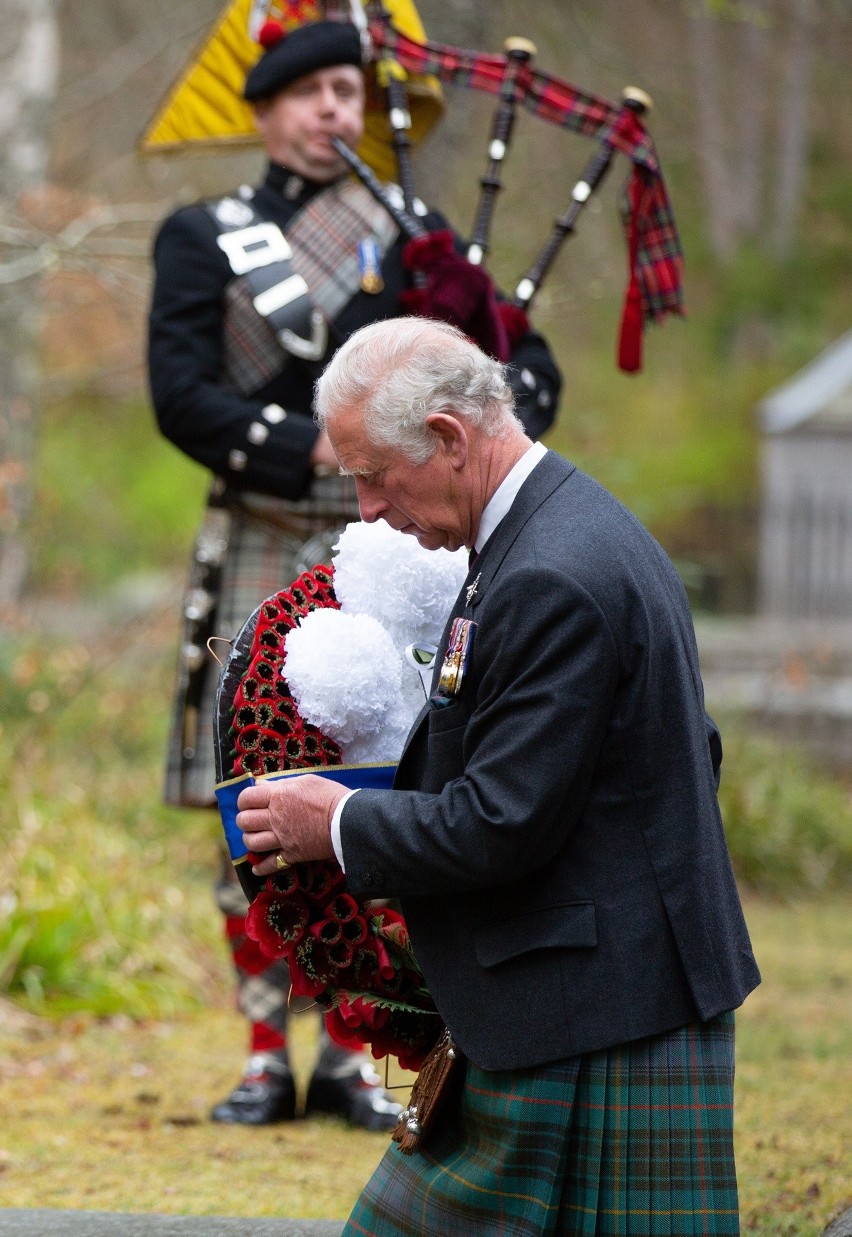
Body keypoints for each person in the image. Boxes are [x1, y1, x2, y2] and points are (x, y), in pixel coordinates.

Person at [236, 317, 761, 1235]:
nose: (364, 509)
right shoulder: (545, 531)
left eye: (371, 475)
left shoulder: (552, 570)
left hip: (601, 1013)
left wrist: (341, 819)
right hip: (576, 990)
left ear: (447, 438)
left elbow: (501, 822)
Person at [148, 17, 562, 1130]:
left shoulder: (418, 232)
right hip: (266, 528)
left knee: (388, 784)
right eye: (309, 90)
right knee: (252, 798)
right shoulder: (204, 234)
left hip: (406, 547)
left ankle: (357, 1039)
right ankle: (257, 1050)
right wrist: (329, 455)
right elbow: (181, 395)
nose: (334, 108)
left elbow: (520, 376)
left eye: (348, 88)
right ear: (265, 107)